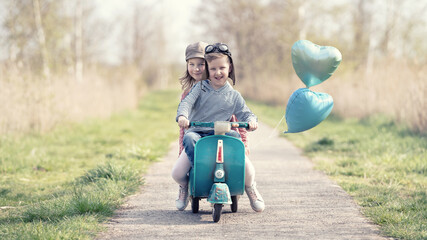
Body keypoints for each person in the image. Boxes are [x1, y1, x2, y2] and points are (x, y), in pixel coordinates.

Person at [175, 42, 265, 212]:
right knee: (179, 168)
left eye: (221, 68)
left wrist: (252, 121)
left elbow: (245, 113)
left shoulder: (233, 95)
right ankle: (197, 173)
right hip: (198, 133)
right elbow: (186, 104)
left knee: (237, 144)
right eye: (213, 69)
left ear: (229, 68)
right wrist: (182, 116)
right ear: (209, 70)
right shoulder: (198, 88)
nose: (217, 73)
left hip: (221, 134)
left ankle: (250, 187)